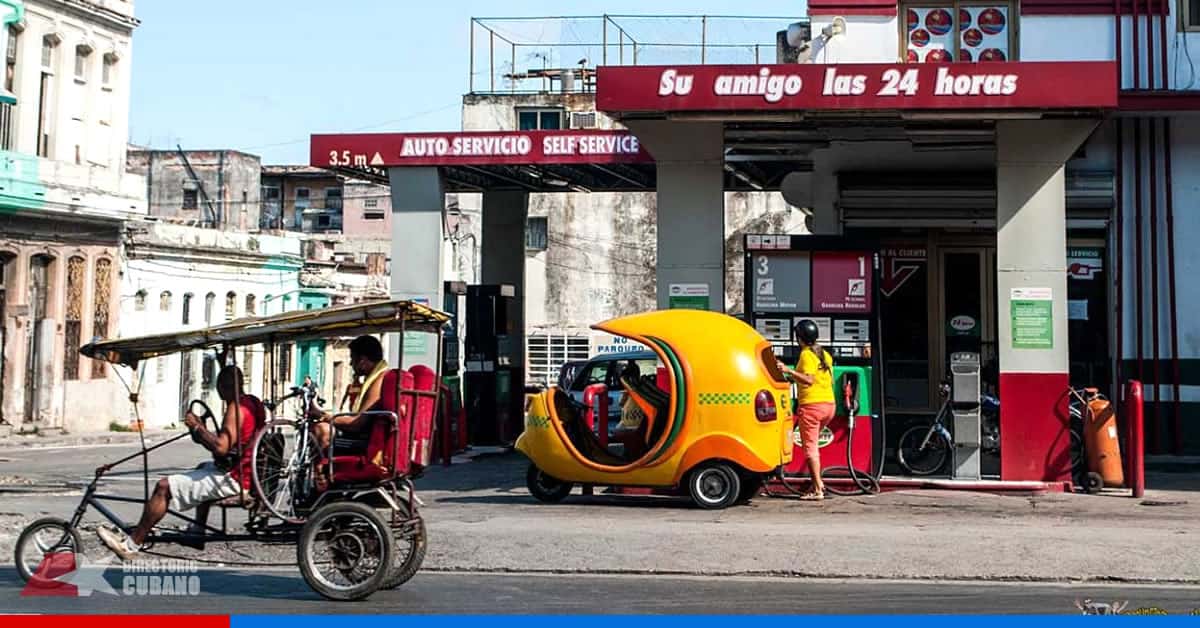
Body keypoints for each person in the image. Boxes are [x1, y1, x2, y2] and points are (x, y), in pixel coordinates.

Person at [97, 365, 265, 559]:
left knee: (163, 487)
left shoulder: (236, 409)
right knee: (202, 468)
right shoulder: (253, 402)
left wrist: (197, 428)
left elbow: (221, 447)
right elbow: (231, 445)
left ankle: (132, 544)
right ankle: (197, 531)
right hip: (244, 470)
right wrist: (201, 430)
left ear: (222, 386)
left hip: (236, 478)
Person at [308, 336, 404, 484]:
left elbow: (356, 423)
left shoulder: (379, 380)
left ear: (363, 360)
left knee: (322, 430)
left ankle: (320, 479)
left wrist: (324, 416)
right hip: (367, 435)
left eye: (353, 359)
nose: (351, 364)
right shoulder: (375, 378)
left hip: (364, 442)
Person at [777, 319, 835, 501]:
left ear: (799, 338)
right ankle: (819, 483)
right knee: (814, 446)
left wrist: (788, 370)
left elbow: (809, 379)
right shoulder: (824, 354)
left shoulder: (806, 355)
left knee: (810, 448)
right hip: (829, 406)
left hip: (812, 406)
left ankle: (818, 489)